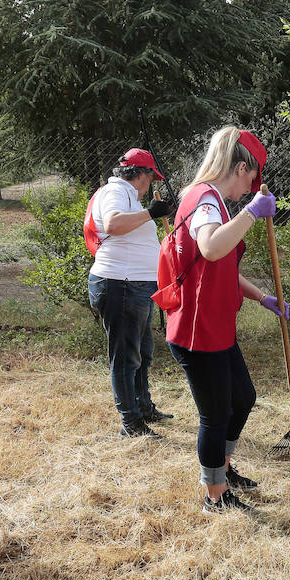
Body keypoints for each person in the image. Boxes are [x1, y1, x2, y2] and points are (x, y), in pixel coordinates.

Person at [161, 126, 286, 513]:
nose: (251, 187)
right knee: (215, 416)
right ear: (240, 166)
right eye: (252, 177)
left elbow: (220, 268)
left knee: (243, 398)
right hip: (198, 332)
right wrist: (251, 213)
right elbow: (212, 248)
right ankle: (214, 498)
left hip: (215, 327)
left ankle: (224, 469)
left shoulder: (210, 200)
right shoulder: (205, 200)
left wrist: (262, 297)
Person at [85, 147, 176, 438]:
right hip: (120, 284)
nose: (151, 186)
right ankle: (132, 423)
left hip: (133, 286)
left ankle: (143, 406)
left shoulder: (127, 196)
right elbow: (113, 224)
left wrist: (150, 213)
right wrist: (151, 212)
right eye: (151, 178)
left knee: (143, 352)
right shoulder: (117, 191)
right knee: (126, 357)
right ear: (141, 175)